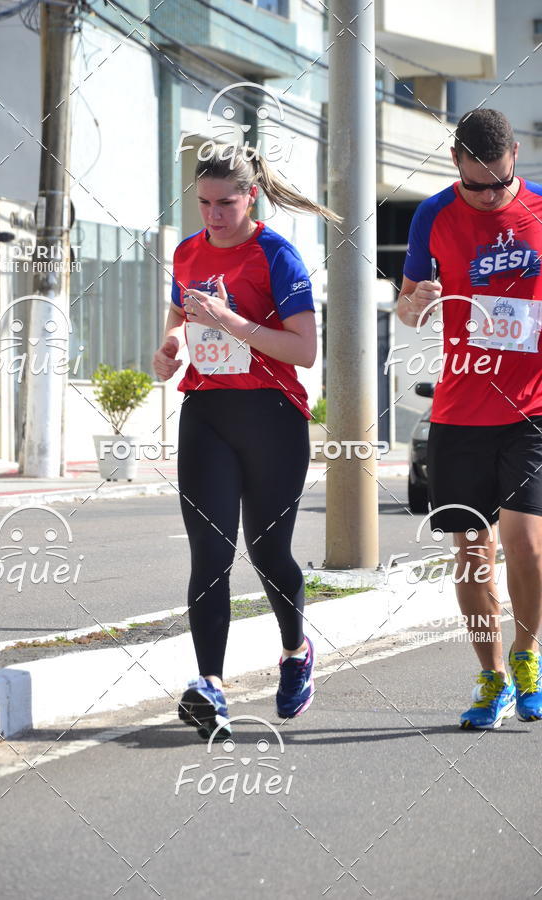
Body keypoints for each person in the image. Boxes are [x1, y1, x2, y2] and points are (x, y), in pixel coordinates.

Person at [152, 143, 342, 741]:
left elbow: (304, 351)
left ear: (250, 195)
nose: (213, 214)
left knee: (266, 552)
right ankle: (210, 684)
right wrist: (170, 350)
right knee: (209, 555)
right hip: (206, 411)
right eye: (204, 202)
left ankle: (294, 651)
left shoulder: (277, 255)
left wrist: (234, 323)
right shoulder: (186, 252)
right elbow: (180, 323)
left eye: (226, 203)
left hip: (272, 415)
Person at [398, 108, 542, 729]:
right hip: (460, 410)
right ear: (455, 162)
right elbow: (405, 312)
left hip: (530, 408)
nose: (488, 196)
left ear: (515, 159)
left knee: (526, 545)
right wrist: (416, 303)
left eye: (499, 184)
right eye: (476, 185)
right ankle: (490, 680)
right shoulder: (432, 215)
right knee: (471, 552)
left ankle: (526, 658)